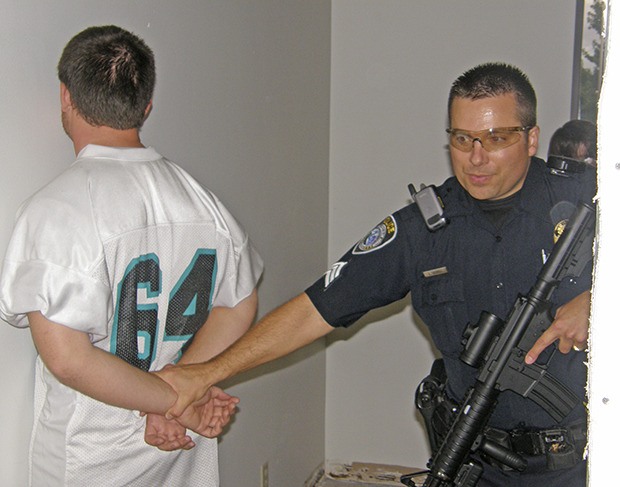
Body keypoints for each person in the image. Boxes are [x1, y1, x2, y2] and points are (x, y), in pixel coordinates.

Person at [156, 63, 595, 486]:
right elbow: (314, 310)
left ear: (531, 138)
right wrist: (208, 371)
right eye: (463, 139)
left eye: (495, 138)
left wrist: (600, 301)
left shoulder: (589, 201)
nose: (476, 158)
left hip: (584, 466)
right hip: (474, 462)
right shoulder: (422, 229)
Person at [0, 25, 263, 486]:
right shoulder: (204, 203)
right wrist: (183, 389)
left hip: (90, 455)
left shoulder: (55, 210)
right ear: (146, 106)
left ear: (65, 96)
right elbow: (239, 303)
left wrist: (170, 400)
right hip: (180, 445)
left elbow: (68, 360)